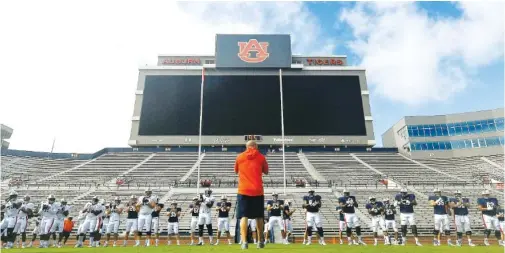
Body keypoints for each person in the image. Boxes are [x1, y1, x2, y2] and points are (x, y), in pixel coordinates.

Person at [235, 140, 268, 249]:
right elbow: (266, 171)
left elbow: (236, 171)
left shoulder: (239, 157)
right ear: (255, 146)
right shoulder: (261, 157)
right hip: (257, 190)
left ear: (247, 146)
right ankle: (260, 241)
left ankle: (244, 242)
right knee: (259, 216)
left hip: (243, 190)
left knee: (244, 216)